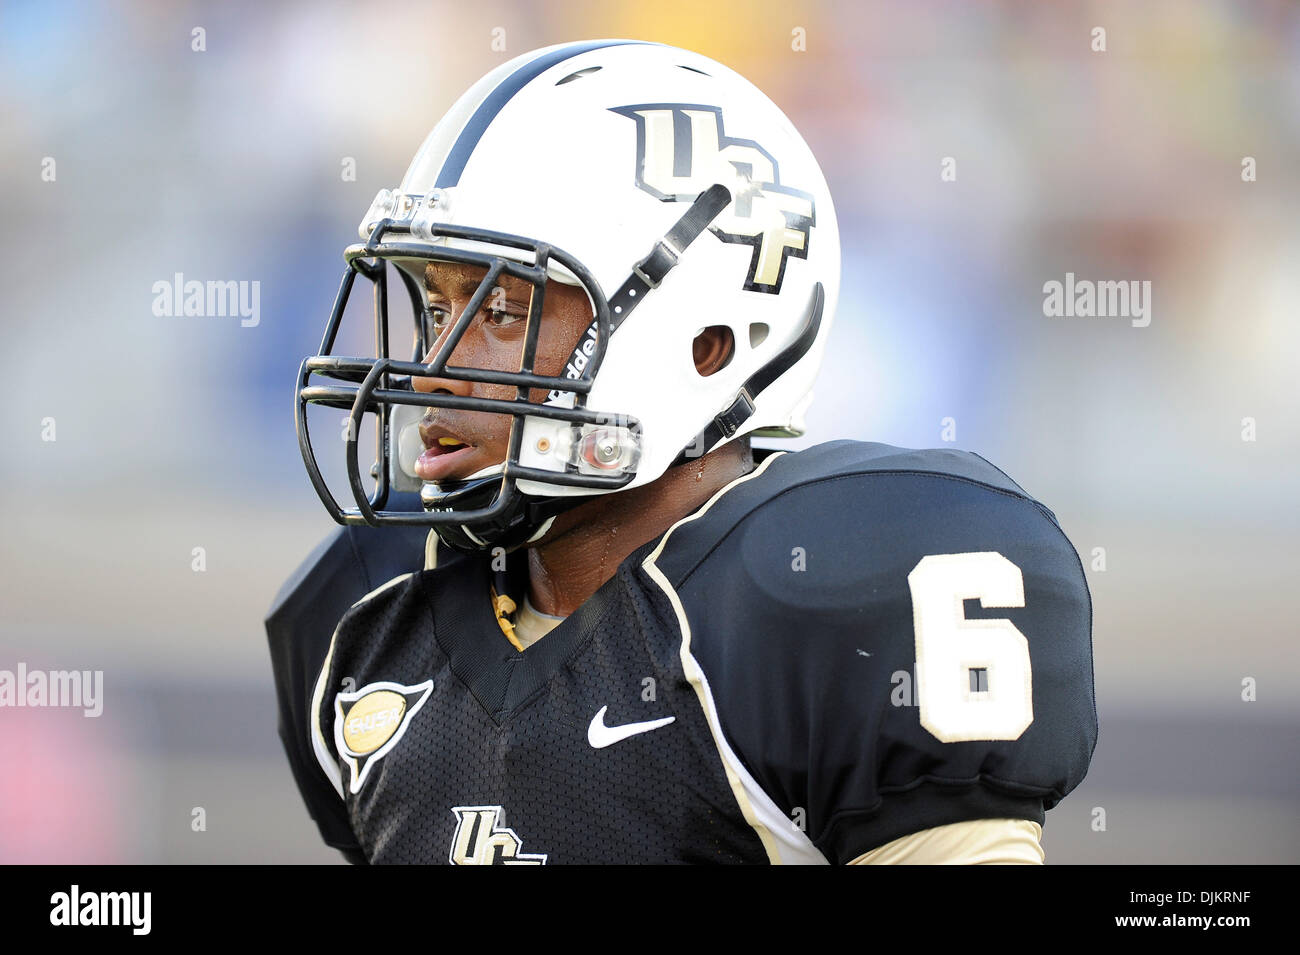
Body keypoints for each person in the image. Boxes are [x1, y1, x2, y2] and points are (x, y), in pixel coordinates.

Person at [267, 39, 1096, 864]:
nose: (438, 371)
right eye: (439, 307)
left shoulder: (814, 599)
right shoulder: (368, 619)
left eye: (505, 313)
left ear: (704, 344)